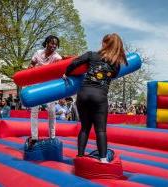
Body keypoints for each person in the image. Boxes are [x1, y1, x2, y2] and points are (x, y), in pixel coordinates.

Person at [63, 33, 127, 163]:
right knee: (101, 130)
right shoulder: (116, 64)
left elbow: (75, 63)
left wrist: (67, 73)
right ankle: (103, 160)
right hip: (100, 96)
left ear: (104, 43)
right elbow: (112, 75)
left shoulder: (91, 55)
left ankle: (80, 157)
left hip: (84, 94)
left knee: (85, 128)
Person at [28, 35, 62, 147]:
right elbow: (31, 64)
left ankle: (52, 136)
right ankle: (34, 137)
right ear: (46, 43)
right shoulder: (38, 53)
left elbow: (60, 69)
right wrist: (31, 68)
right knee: (34, 111)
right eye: (52, 43)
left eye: (56, 44)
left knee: (51, 111)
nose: (54, 46)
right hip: (37, 84)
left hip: (49, 86)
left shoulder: (57, 57)